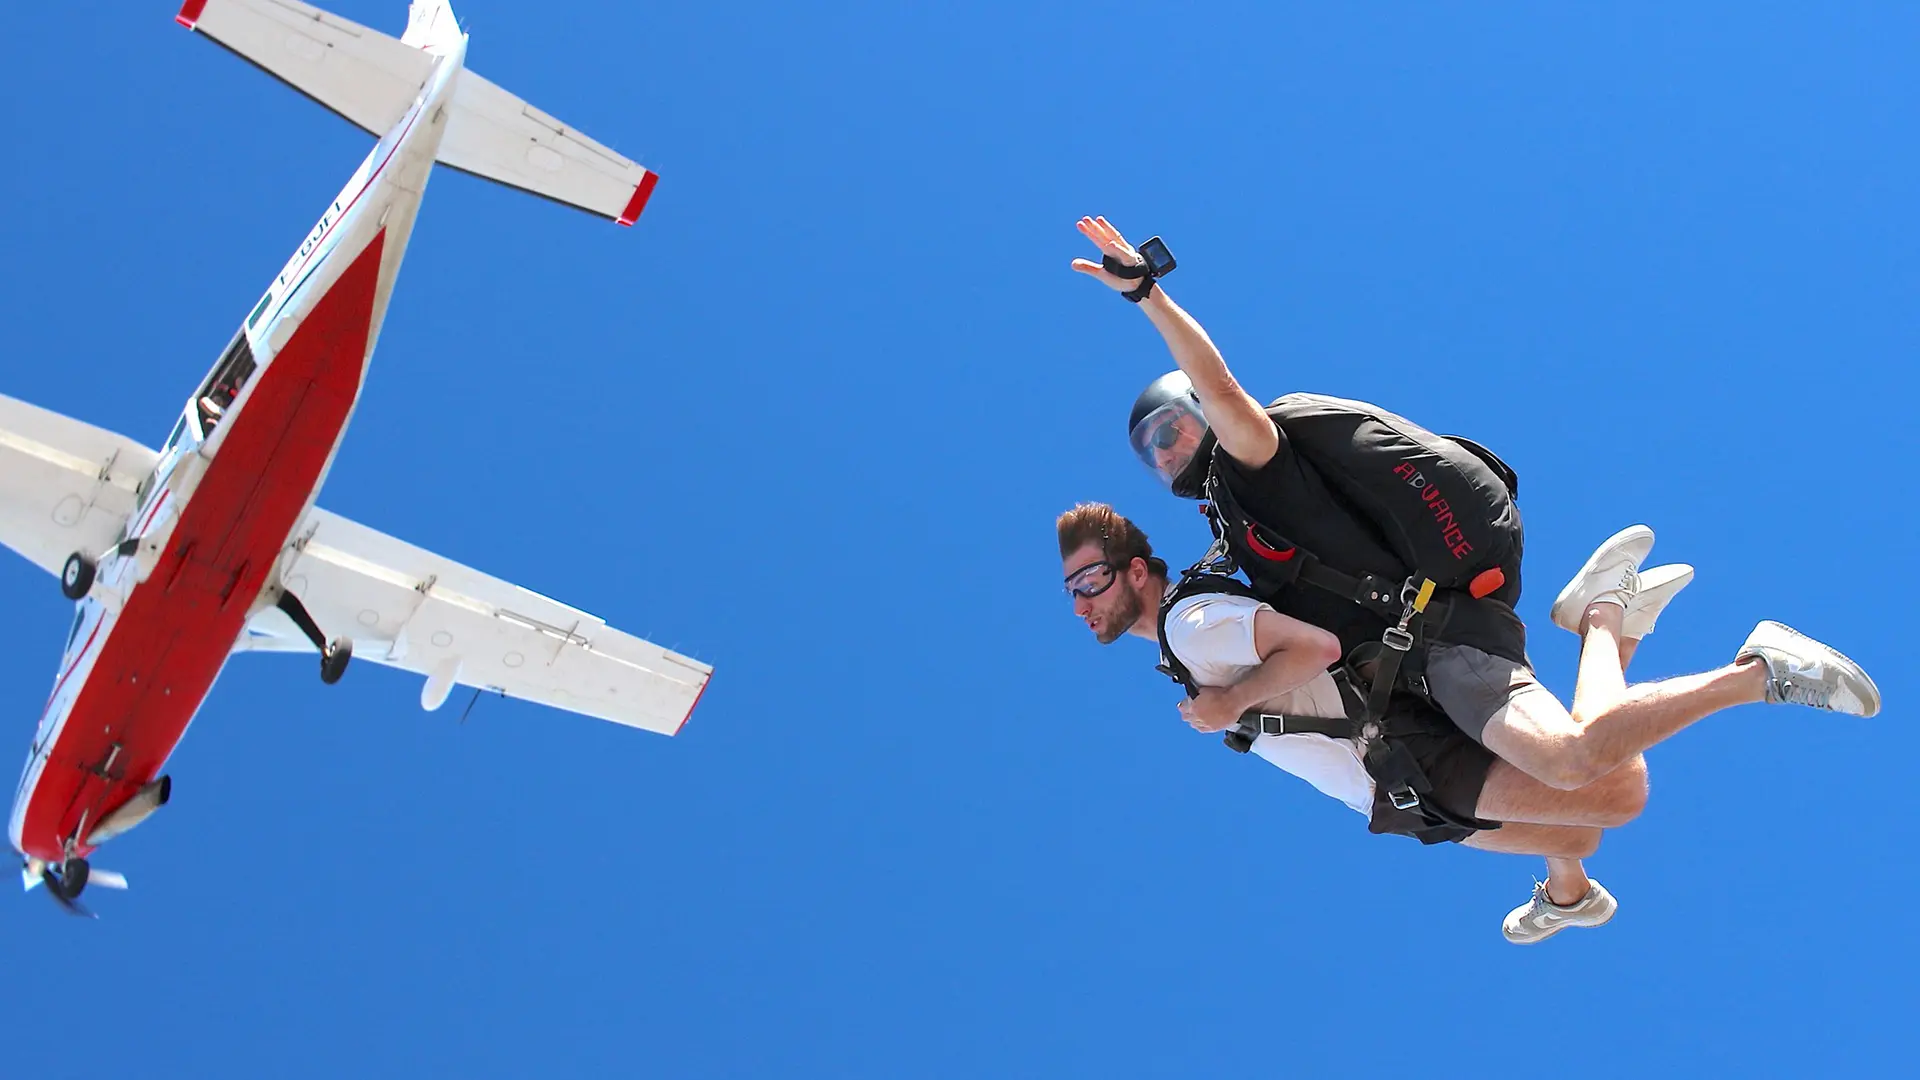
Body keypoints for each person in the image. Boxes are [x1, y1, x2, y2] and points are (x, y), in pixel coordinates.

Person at [1069, 216, 1881, 798]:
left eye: (1172, 429)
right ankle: (1602, 621)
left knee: (1573, 762)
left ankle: (1758, 670)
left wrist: (1149, 298)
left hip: (1443, 643)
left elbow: (1221, 386)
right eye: (1150, 450)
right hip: (1433, 645)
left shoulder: (1254, 464)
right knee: (1603, 786)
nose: (1166, 452)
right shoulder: (1233, 525)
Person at [1057, 501, 1675, 943]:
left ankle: (1602, 616)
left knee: (1610, 791)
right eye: (1072, 590)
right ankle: (1567, 896)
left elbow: (1315, 648)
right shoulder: (1185, 636)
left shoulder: (1188, 626)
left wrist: (1230, 703)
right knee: (1575, 834)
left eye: (1091, 579)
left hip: (1401, 766)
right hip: (1392, 778)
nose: (1082, 603)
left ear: (1136, 570)